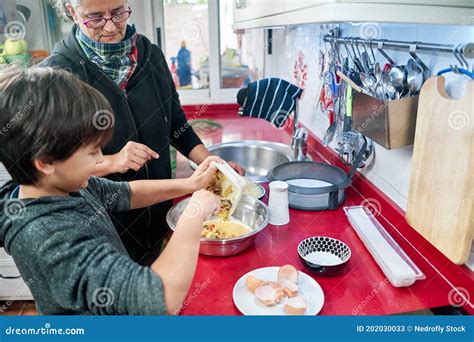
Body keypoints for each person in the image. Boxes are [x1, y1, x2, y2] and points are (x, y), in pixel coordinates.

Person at [0, 67, 222, 315]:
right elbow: (161, 299)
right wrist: (193, 213)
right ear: (46, 161)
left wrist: (190, 185)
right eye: (92, 151)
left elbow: (126, 193)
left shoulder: (59, 186)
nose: (100, 159)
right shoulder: (52, 241)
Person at [41, 0, 244, 265]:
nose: (112, 26)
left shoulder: (151, 55)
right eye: (96, 18)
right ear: (72, 12)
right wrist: (112, 162)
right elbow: (54, 169)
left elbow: (176, 125)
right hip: (103, 231)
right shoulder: (58, 73)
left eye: (118, 13)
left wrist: (209, 162)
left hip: (160, 215)